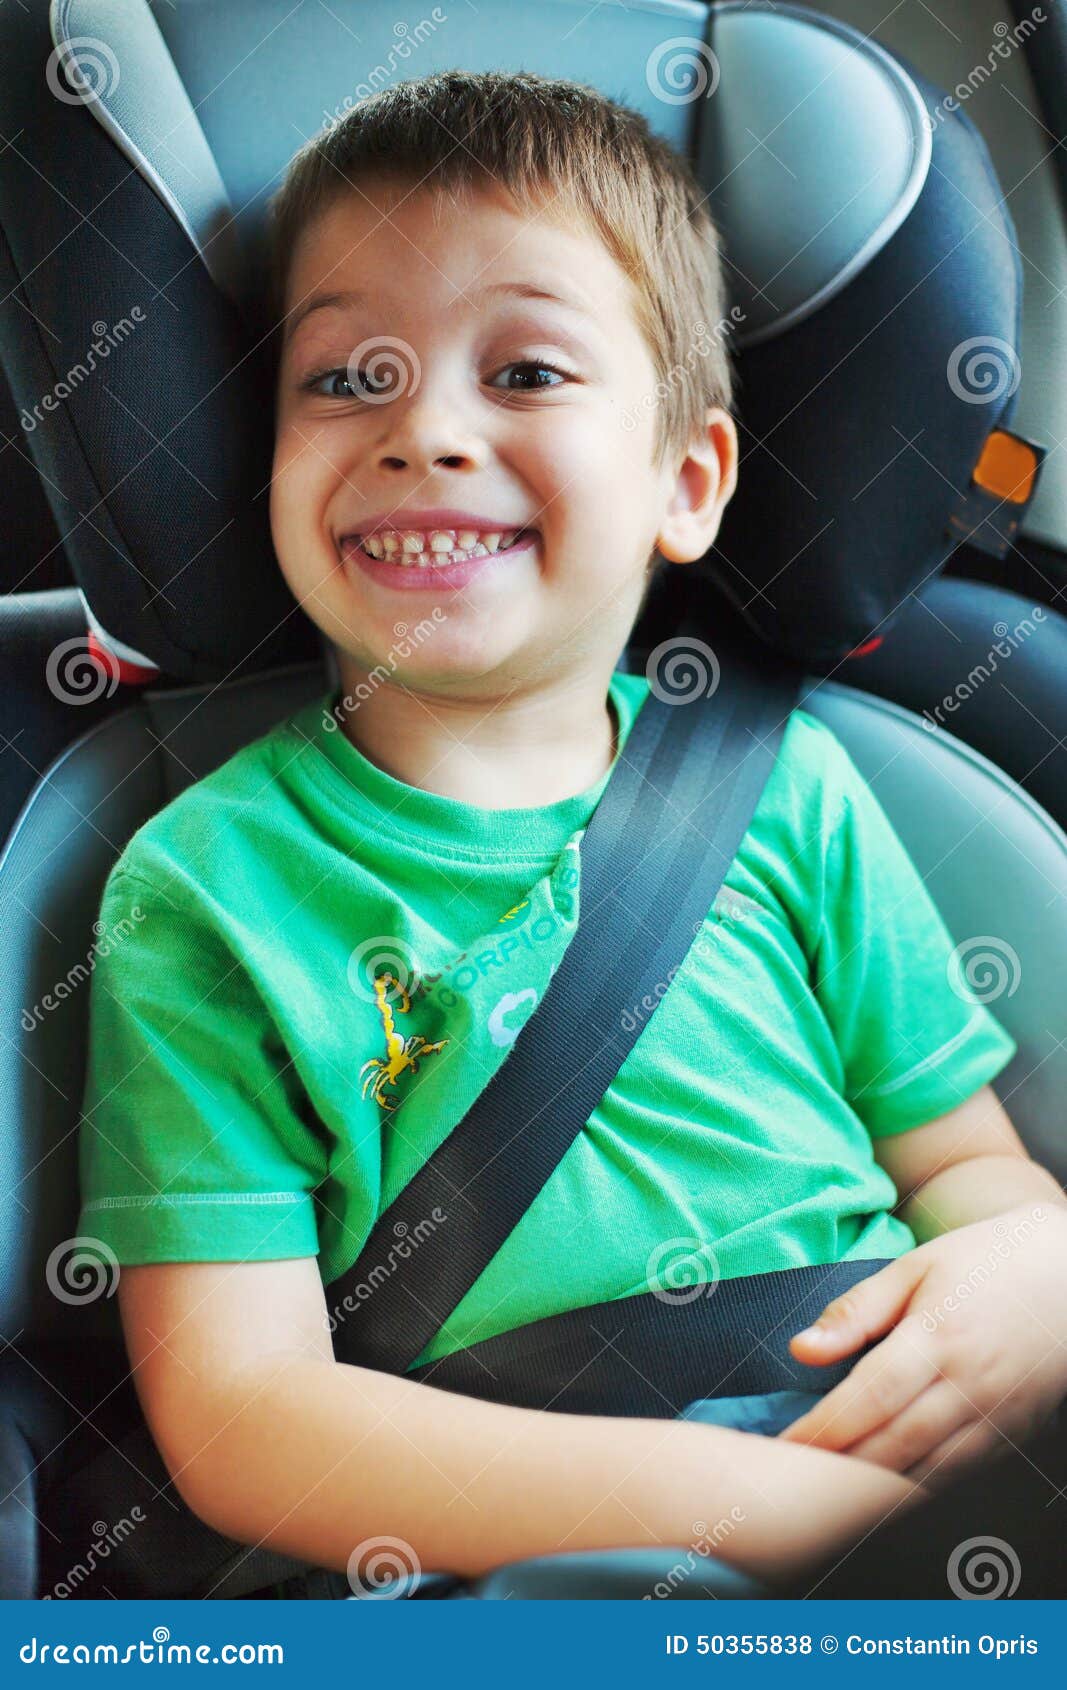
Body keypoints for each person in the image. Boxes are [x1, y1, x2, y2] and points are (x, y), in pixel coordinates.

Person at [76, 69, 1067, 1595]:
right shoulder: (206, 888)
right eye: (347, 377)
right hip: (554, 1536)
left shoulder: (791, 787)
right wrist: (749, 1506)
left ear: (687, 480)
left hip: (921, 1455)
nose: (424, 431)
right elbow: (247, 1414)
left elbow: (973, 1168)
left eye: (527, 370)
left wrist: (1036, 1278)